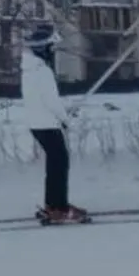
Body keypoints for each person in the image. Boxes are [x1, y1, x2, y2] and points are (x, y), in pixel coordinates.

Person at [21, 25, 85, 224]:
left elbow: (42, 100)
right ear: (43, 49)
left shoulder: (28, 70)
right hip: (47, 124)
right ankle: (59, 208)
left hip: (37, 124)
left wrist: (63, 113)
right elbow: (52, 102)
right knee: (60, 163)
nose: (52, 51)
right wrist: (65, 119)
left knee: (55, 163)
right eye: (50, 47)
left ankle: (54, 205)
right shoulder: (43, 72)